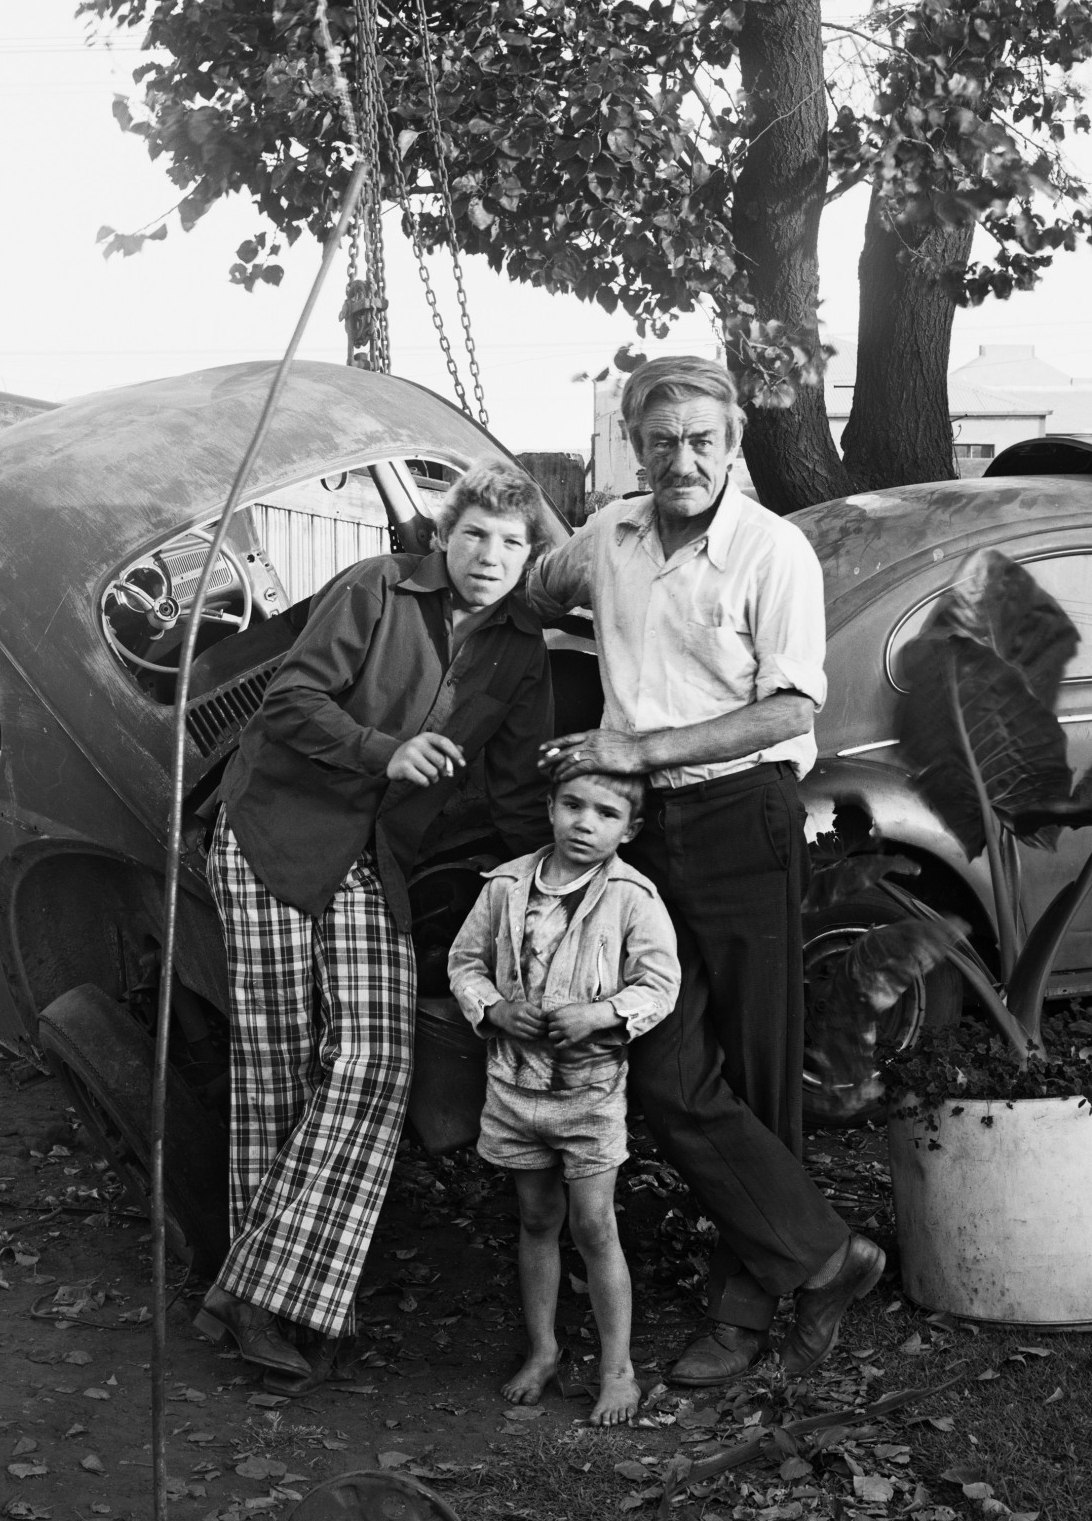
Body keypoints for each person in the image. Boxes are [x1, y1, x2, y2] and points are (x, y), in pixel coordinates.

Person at [530, 356, 883, 1387]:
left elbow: (790, 709)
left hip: (740, 815)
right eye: (660, 442)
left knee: (756, 1065)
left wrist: (635, 750)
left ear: (732, 447)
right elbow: (530, 583)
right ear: (634, 449)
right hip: (637, 834)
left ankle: (742, 1311)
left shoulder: (773, 553)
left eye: (701, 441)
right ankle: (825, 1259)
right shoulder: (610, 536)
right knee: (667, 1062)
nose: (680, 459)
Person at [200, 460, 556, 1386]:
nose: (490, 555)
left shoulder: (522, 650)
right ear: (446, 534)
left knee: (376, 1056)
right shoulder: (376, 587)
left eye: (512, 543)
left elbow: (518, 795)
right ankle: (279, 1313)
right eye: (476, 533)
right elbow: (289, 703)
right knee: (275, 1064)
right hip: (275, 833)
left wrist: (539, 904)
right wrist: (384, 751)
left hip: (375, 859)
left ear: (529, 557)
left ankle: (253, 1286)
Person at [446, 763, 679, 1426]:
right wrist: (492, 1007)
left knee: (593, 1224)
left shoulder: (633, 896)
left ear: (628, 829)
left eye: (606, 814)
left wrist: (601, 1014)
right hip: (515, 1090)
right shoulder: (505, 887)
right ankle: (544, 1349)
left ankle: (616, 1368)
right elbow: (463, 961)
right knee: (536, 1220)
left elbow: (659, 984)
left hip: (588, 1094)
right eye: (572, 805)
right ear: (549, 807)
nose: (584, 823)